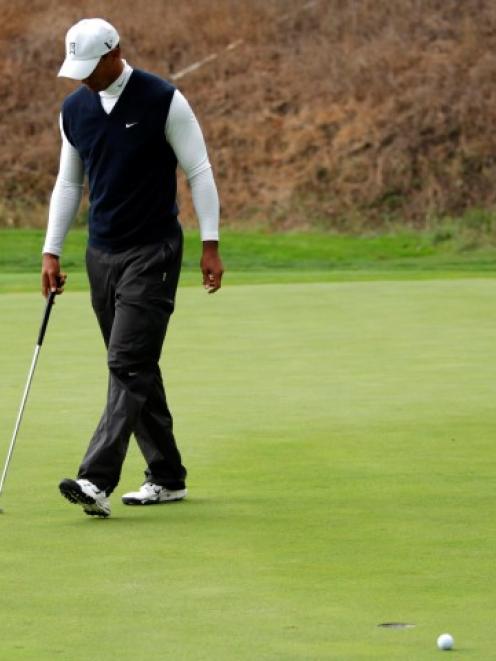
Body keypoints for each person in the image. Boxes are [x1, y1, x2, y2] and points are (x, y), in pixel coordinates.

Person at [42, 18, 223, 518]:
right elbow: (69, 185)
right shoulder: (74, 109)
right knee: (136, 366)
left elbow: (199, 170)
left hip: (154, 251)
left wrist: (211, 243)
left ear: (114, 53)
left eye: (89, 68)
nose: (83, 78)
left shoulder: (162, 99)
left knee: (126, 363)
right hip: (101, 254)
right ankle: (166, 476)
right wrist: (51, 251)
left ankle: (95, 479)